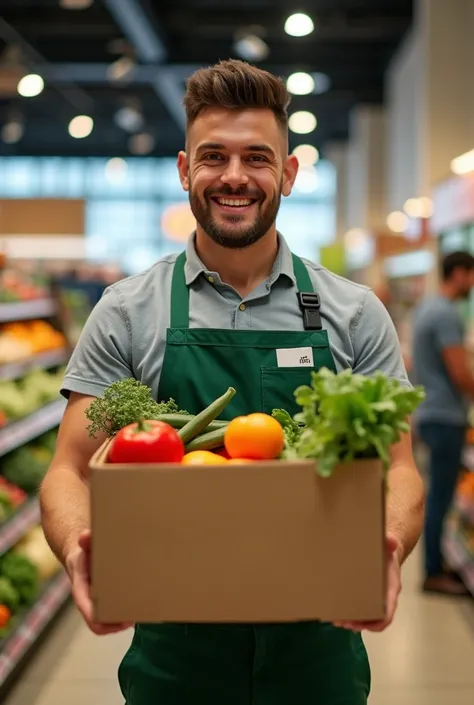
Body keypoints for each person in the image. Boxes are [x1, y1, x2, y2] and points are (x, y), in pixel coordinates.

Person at [40, 59, 424, 705]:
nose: (235, 177)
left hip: (320, 648)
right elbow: (68, 469)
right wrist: (80, 551)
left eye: (258, 157)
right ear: (186, 169)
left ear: (290, 173)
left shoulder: (354, 311)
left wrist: (388, 543)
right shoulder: (129, 309)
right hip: (175, 653)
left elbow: (402, 467)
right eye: (214, 156)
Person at [412, 250, 474, 596]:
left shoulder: (428, 307)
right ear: (461, 274)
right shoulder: (447, 314)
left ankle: (436, 562)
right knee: (440, 496)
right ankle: (433, 571)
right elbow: (460, 373)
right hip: (446, 416)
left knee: (438, 492)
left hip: (429, 413)